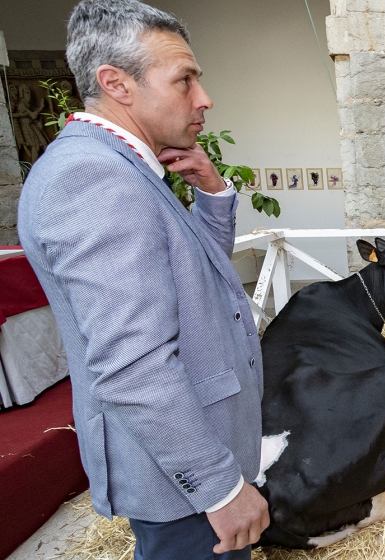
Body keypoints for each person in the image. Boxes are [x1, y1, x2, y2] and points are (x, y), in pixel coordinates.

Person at [17, 1, 269, 557]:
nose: (203, 98)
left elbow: (201, 277)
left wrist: (210, 190)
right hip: (183, 481)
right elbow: (131, 364)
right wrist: (220, 487)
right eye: (185, 79)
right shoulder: (92, 178)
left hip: (193, 457)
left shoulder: (122, 167)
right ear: (117, 84)